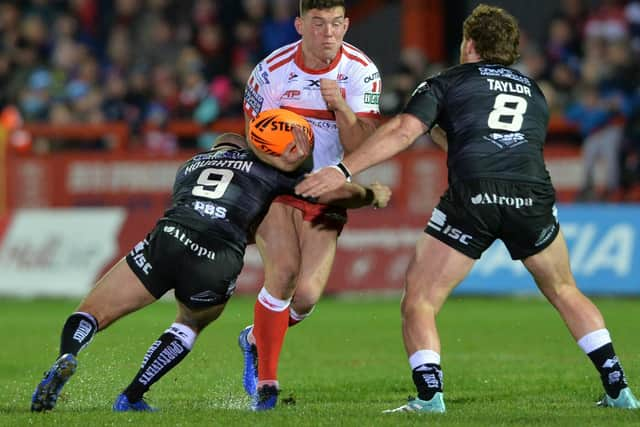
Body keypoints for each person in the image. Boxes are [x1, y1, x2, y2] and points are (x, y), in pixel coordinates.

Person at [296, 4, 639, 413]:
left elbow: (405, 131)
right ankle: (619, 389)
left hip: (473, 197)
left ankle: (429, 397)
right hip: (531, 196)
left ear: (470, 44)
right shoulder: (534, 92)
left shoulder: (445, 81)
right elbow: (499, 144)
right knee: (565, 290)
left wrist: (342, 168)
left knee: (420, 299)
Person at [30, 131, 390, 413]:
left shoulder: (190, 165)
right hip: (216, 258)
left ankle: (69, 354)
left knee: (91, 311)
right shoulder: (264, 170)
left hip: (168, 239)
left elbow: (191, 205)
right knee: (188, 323)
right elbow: (326, 193)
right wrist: (369, 195)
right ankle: (132, 394)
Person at [238, 0, 382, 410]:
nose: (328, 33)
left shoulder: (360, 71)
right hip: (277, 186)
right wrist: (279, 160)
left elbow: (362, 149)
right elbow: (253, 136)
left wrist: (339, 108)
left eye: (336, 24)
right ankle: (267, 385)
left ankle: (252, 339)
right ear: (300, 24)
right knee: (282, 273)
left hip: (329, 189)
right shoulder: (271, 71)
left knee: (305, 297)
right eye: (318, 24)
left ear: (347, 24)